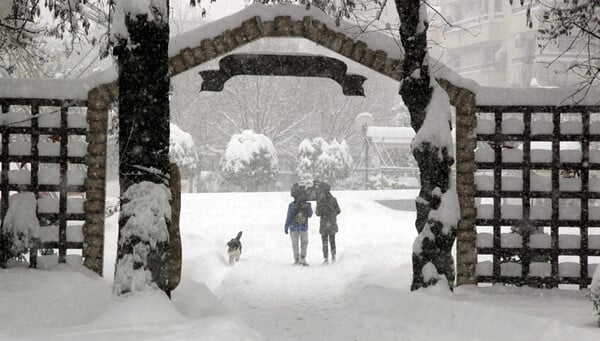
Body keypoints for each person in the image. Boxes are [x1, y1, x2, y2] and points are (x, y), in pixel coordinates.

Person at [284, 194, 313, 266]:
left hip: (293, 227)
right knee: (304, 243)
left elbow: (289, 216)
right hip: (303, 227)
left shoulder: (292, 205)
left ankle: (297, 259)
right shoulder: (306, 205)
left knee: (295, 244)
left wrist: (286, 226)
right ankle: (302, 258)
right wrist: (307, 206)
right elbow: (310, 215)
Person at [316, 190, 340, 264]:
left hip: (324, 223)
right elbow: (338, 211)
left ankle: (326, 258)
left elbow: (318, 213)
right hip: (332, 223)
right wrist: (332, 214)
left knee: (324, 241)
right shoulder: (333, 199)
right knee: (332, 240)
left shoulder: (320, 200)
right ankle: (333, 256)